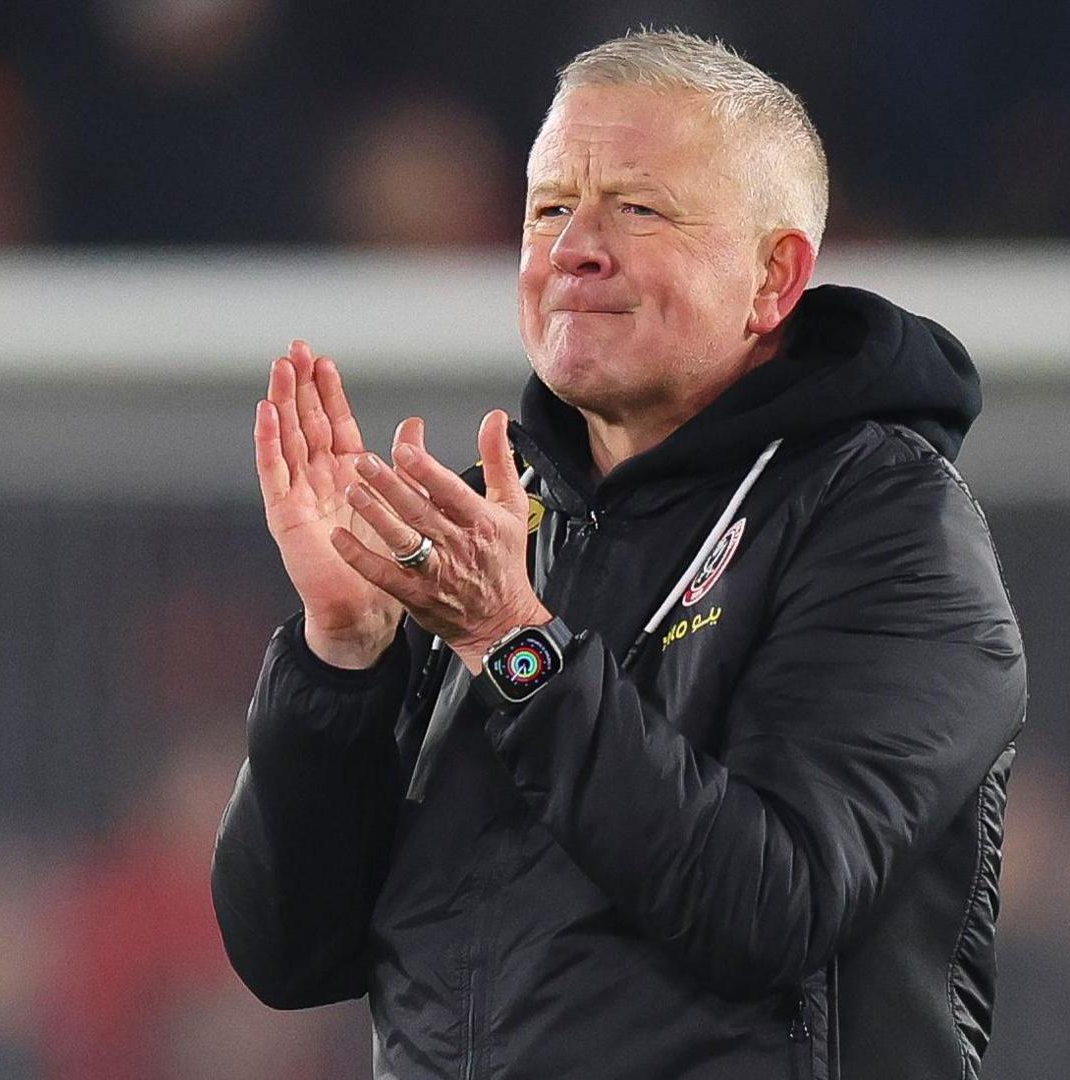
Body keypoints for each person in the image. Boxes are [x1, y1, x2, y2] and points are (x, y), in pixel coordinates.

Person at [213, 29, 1026, 1080]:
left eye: (637, 209)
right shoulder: (474, 536)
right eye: (550, 208)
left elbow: (768, 906)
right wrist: (340, 658)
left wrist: (515, 645)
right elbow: (290, 951)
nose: (574, 248)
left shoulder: (888, 526)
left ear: (774, 277)